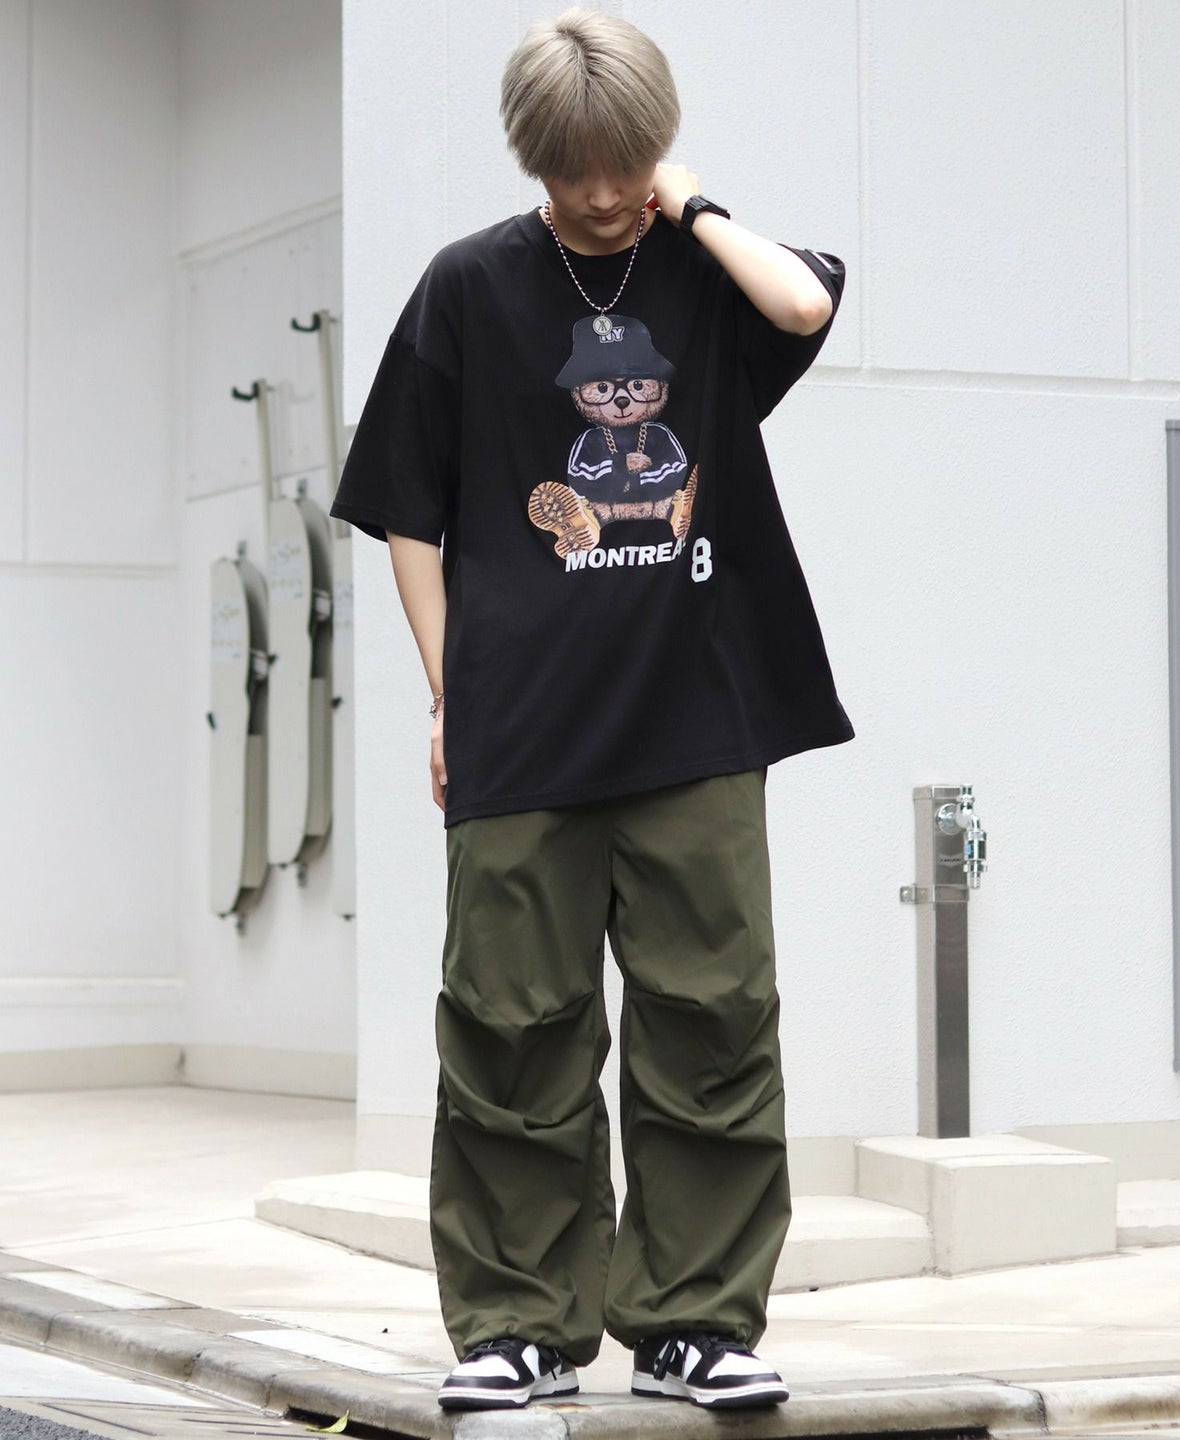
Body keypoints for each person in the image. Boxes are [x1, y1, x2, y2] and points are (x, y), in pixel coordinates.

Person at [330, 6, 853, 1414]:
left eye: (627, 162)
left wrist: (695, 203)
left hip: (697, 716)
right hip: (523, 723)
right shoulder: (469, 286)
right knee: (511, 1028)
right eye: (576, 169)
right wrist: (449, 696)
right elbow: (408, 514)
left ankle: (693, 1323)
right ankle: (518, 1326)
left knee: (714, 1019)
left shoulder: (702, 272)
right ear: (532, 156)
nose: (607, 193)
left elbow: (805, 306)